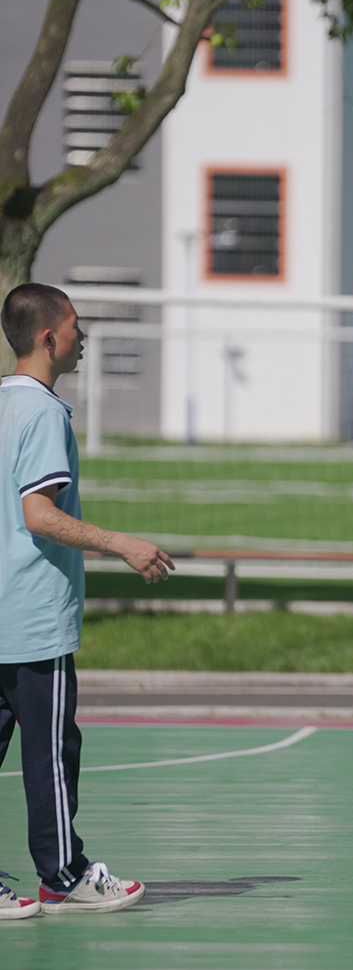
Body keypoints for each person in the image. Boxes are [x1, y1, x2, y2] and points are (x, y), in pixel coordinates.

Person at [0, 283, 174, 920]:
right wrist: (120, 543)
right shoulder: (43, 413)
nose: (84, 337)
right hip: (31, 616)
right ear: (49, 337)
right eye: (76, 326)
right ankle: (63, 876)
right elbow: (39, 514)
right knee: (50, 752)